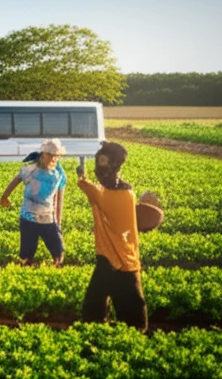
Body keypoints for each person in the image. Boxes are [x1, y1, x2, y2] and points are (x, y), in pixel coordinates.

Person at [78, 141, 147, 332]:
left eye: (103, 161)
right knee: (125, 300)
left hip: (114, 258)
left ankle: (98, 331)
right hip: (126, 256)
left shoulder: (105, 194)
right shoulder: (127, 191)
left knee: (97, 302)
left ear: (113, 164)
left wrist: (81, 178)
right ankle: (134, 332)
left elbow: (89, 189)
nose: (99, 166)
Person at [0, 138, 68, 267]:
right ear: (43, 154)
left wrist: (58, 222)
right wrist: (4, 197)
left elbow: (59, 199)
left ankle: (57, 267)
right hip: (28, 217)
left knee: (58, 250)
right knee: (26, 253)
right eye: (50, 155)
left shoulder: (58, 175)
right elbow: (16, 180)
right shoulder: (30, 170)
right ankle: (26, 267)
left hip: (48, 218)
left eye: (56, 156)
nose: (53, 158)